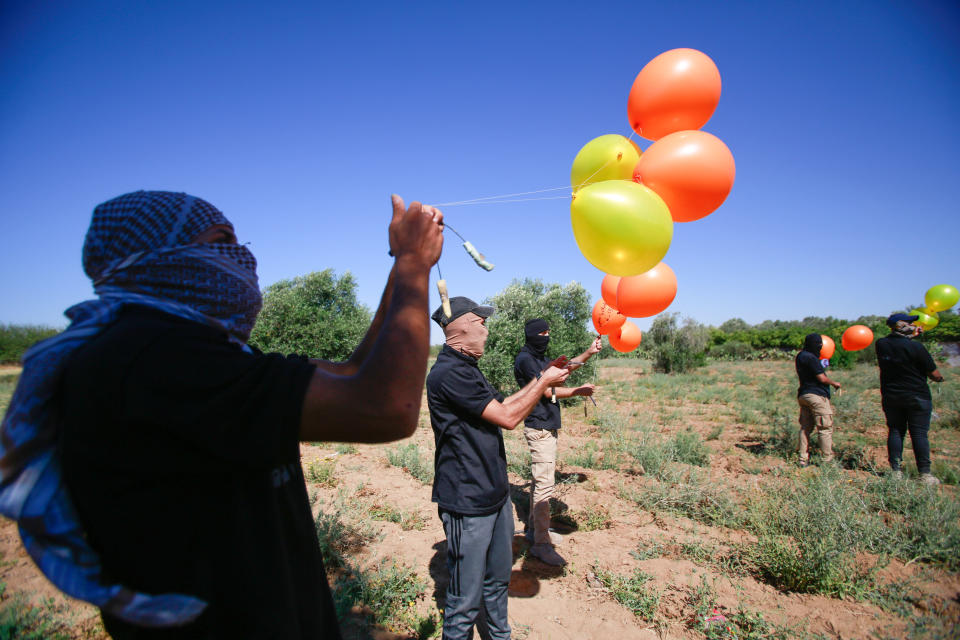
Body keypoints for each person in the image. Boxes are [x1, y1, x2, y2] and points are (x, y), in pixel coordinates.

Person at [0, 190, 444, 638]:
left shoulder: (196, 352)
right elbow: (387, 408)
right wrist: (413, 264)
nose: (241, 255)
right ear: (158, 254)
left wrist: (398, 262)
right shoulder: (152, 356)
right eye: (222, 239)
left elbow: (353, 372)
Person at [426, 298, 570, 640]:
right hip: (467, 501)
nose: (487, 330)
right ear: (459, 327)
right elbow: (508, 418)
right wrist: (544, 381)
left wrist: (546, 382)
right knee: (463, 603)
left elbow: (503, 405)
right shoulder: (448, 373)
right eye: (481, 322)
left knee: (496, 585)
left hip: (494, 496)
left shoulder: (467, 367)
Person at [513, 319, 600, 566]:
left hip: (546, 426)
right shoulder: (526, 360)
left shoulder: (538, 357)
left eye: (549, 332)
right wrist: (576, 392)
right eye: (542, 332)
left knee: (540, 483)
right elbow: (543, 391)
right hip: (539, 427)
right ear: (531, 334)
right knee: (544, 487)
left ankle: (535, 531)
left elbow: (563, 371)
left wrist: (588, 353)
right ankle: (540, 544)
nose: (547, 336)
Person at [876, 313, 945, 484]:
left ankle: (895, 472)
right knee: (919, 434)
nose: (914, 325)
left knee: (895, 430)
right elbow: (934, 374)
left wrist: (911, 337)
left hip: (891, 395)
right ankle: (925, 474)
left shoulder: (881, 344)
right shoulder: (917, 348)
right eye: (910, 323)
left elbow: (897, 346)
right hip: (916, 396)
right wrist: (940, 379)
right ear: (902, 326)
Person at [795, 333, 842, 467]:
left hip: (803, 395)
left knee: (805, 428)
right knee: (825, 428)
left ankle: (802, 458)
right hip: (816, 396)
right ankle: (827, 460)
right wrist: (834, 383)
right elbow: (821, 378)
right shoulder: (811, 358)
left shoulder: (801, 356)